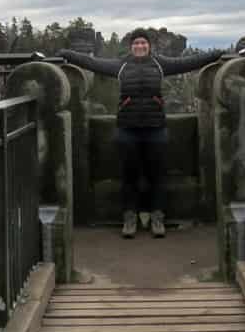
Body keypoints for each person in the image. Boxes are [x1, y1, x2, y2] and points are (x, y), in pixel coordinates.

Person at [57, 29, 228, 238]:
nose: (140, 46)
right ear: (131, 46)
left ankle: (157, 217)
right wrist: (68, 54)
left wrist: (216, 53)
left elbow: (190, 62)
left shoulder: (160, 64)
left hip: (155, 128)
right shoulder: (121, 65)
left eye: (143, 43)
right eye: (136, 43)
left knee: (157, 175)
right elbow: (91, 63)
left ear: (149, 46)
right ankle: (129, 217)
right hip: (127, 128)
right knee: (129, 175)